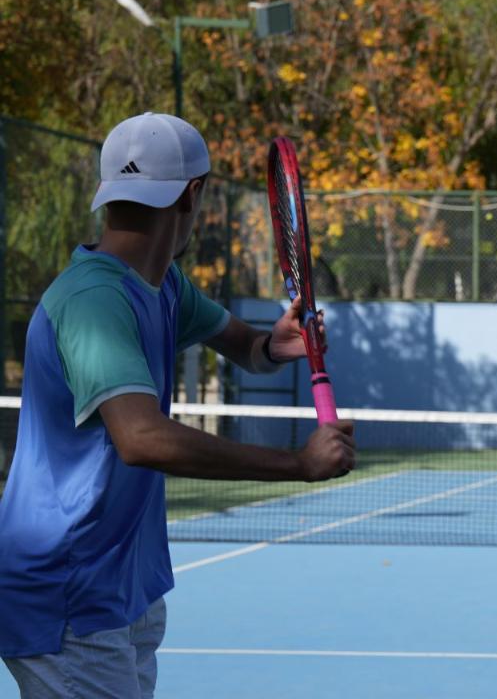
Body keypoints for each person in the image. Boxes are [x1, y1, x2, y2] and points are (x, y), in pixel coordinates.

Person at [0, 112, 356, 698]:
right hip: (67, 592)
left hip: (124, 585)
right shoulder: (95, 300)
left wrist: (276, 343)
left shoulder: (162, 283)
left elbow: (247, 347)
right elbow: (141, 439)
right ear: (195, 193)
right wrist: (297, 464)